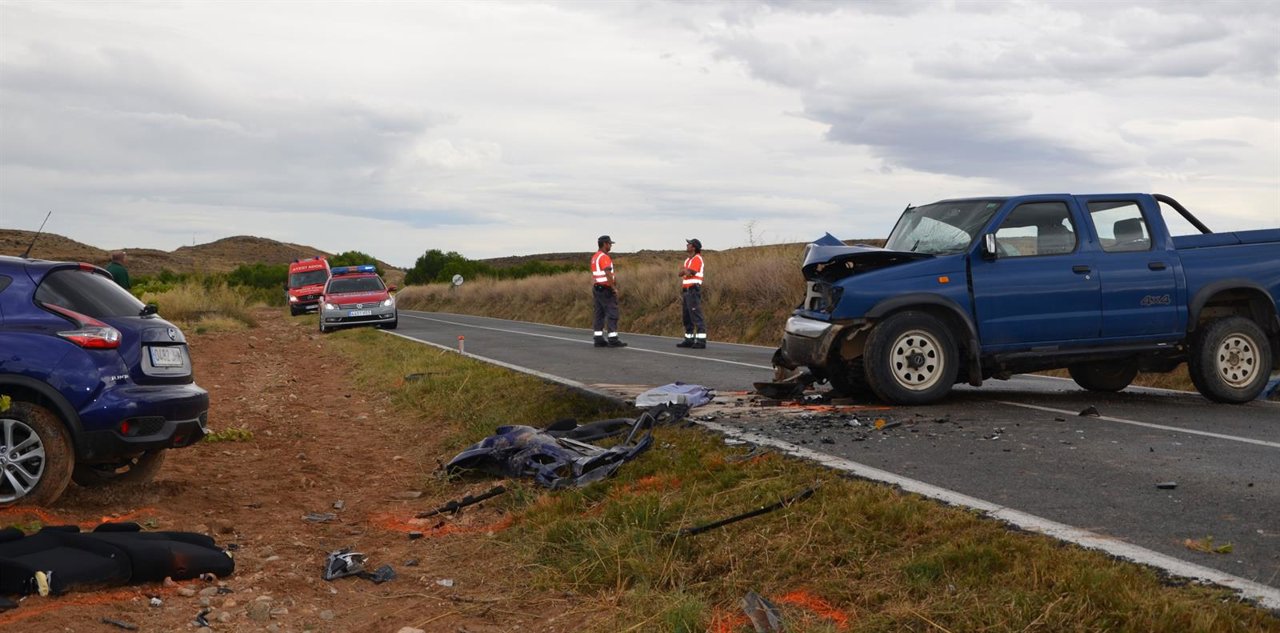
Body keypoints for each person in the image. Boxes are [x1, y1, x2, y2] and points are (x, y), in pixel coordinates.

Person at [590, 235, 626, 348]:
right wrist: (613, 288)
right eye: (610, 244)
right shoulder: (604, 257)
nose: (610, 246)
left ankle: (598, 338)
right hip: (605, 289)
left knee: (599, 314)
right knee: (612, 313)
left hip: (597, 288)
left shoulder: (595, 257)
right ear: (605, 244)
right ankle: (613, 338)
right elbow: (608, 273)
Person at [676, 238, 706, 348]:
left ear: (694, 247)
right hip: (686, 291)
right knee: (687, 316)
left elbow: (690, 272)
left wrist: (686, 271)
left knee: (696, 315)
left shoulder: (697, 258)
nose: (687, 245)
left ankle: (701, 341)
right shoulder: (687, 260)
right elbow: (681, 273)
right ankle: (689, 339)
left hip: (693, 290)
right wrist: (685, 271)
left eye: (689, 244)